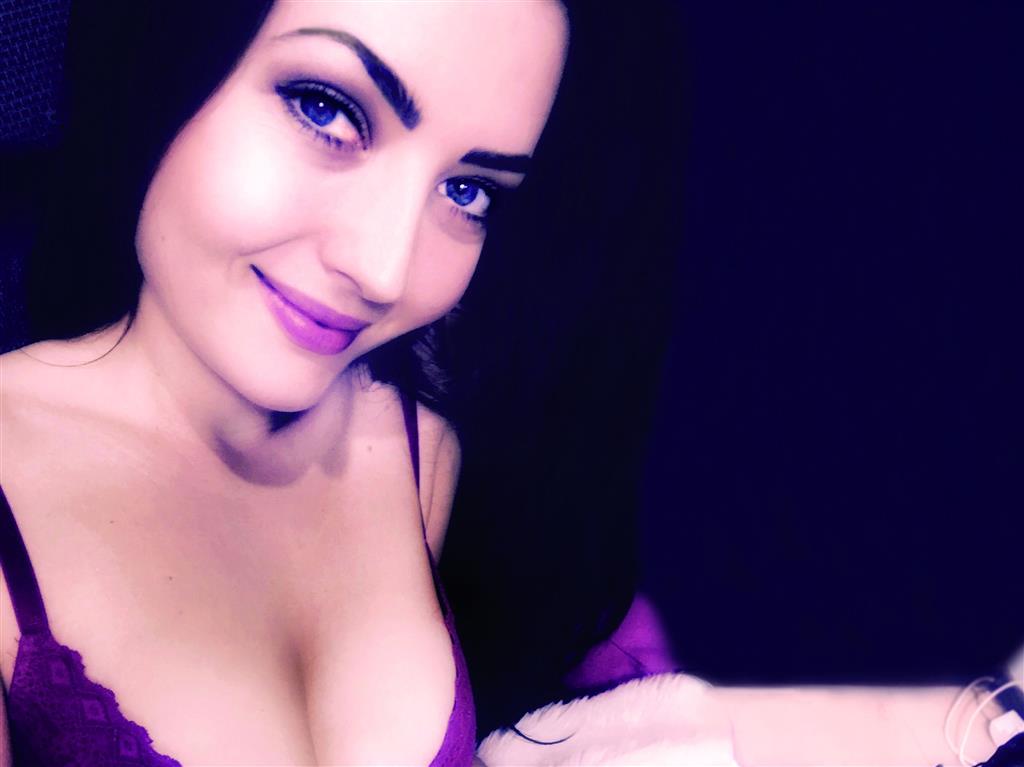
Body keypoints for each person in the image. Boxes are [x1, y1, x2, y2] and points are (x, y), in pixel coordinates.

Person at [0, 1, 687, 765]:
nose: (384, 270)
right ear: (165, 56)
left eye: (467, 191)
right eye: (326, 110)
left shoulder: (417, 450)